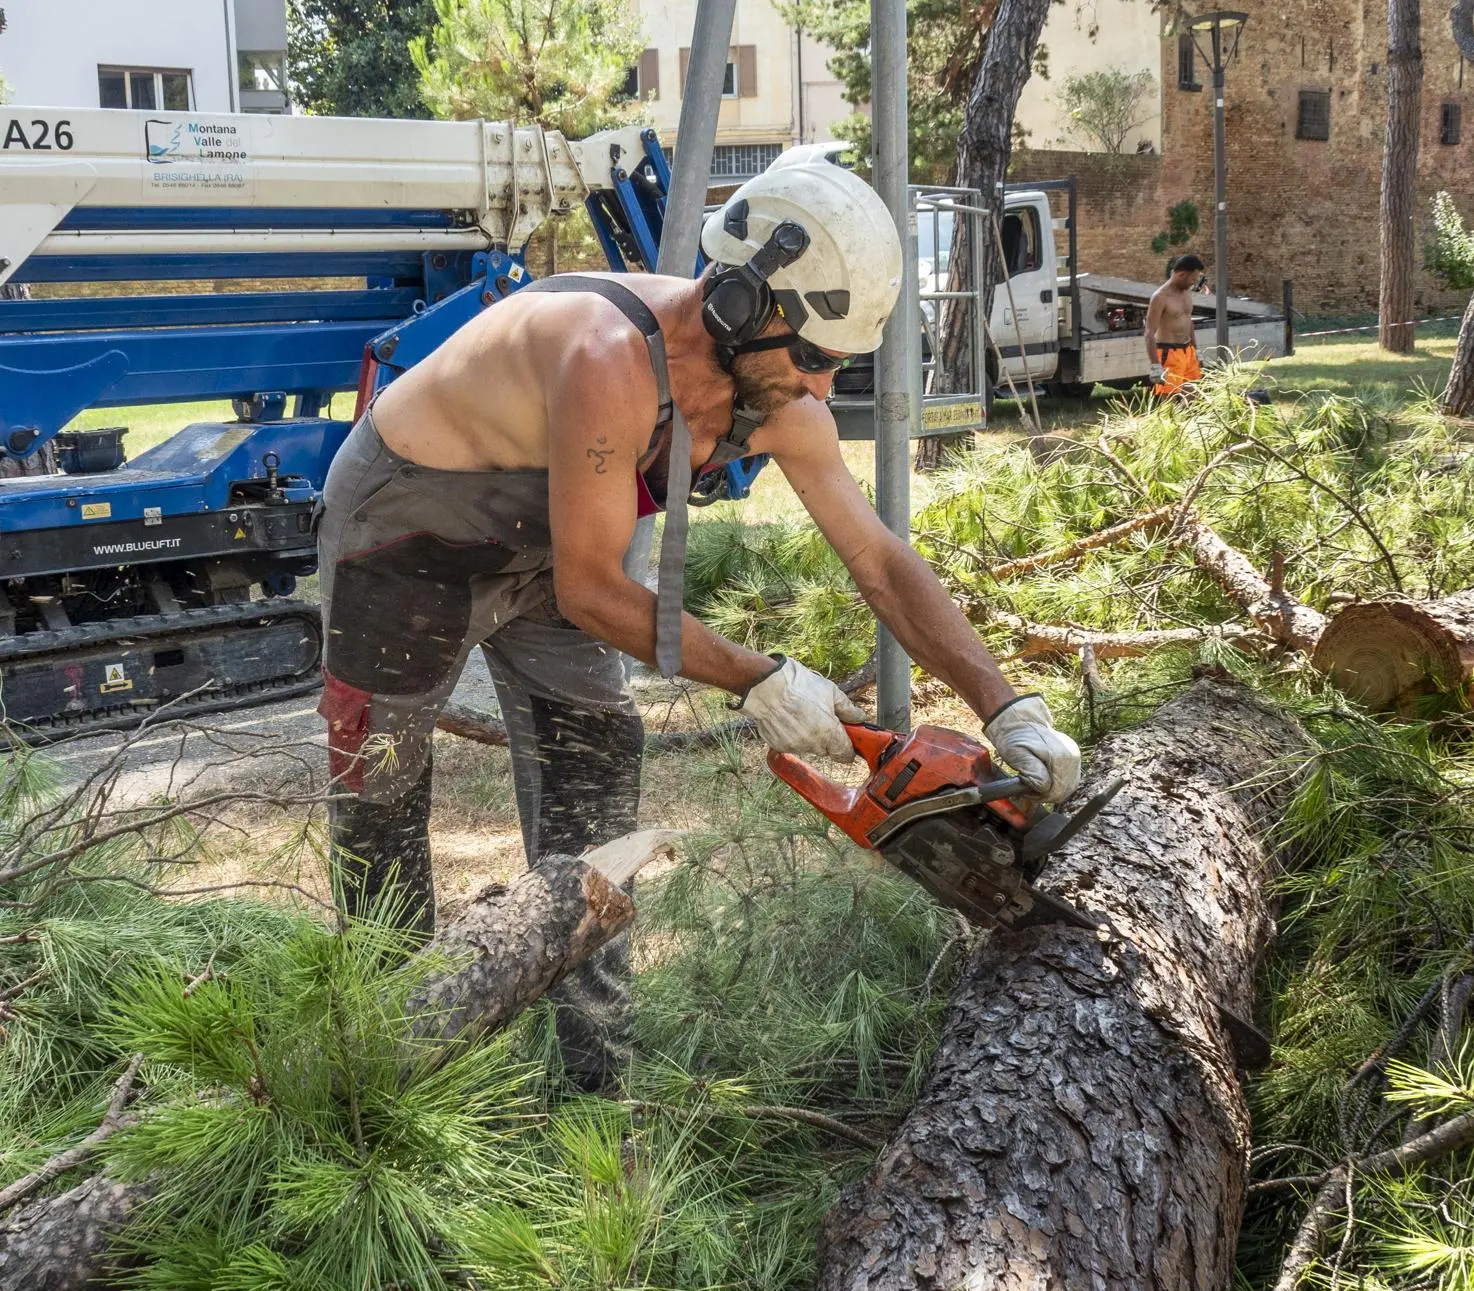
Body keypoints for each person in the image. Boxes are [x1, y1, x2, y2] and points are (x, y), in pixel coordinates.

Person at [316, 154, 1082, 1088]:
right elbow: (597, 590)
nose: (822, 385)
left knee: (597, 753)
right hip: (406, 535)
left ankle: (597, 1078)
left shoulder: (777, 396)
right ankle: (383, 1080)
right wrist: (760, 679)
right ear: (741, 305)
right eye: (811, 356)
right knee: (382, 794)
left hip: (546, 549)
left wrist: (1008, 706)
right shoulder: (604, 355)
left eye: (840, 363)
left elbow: (879, 560)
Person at [1145, 253, 1205, 398]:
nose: (1194, 283)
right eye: (1193, 279)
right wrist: (1155, 365)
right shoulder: (1160, 297)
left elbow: (1188, 321)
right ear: (1182, 275)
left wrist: (1196, 351)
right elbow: (1149, 333)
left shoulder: (1186, 293)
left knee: (1193, 399)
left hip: (1187, 351)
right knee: (1170, 404)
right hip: (1169, 353)